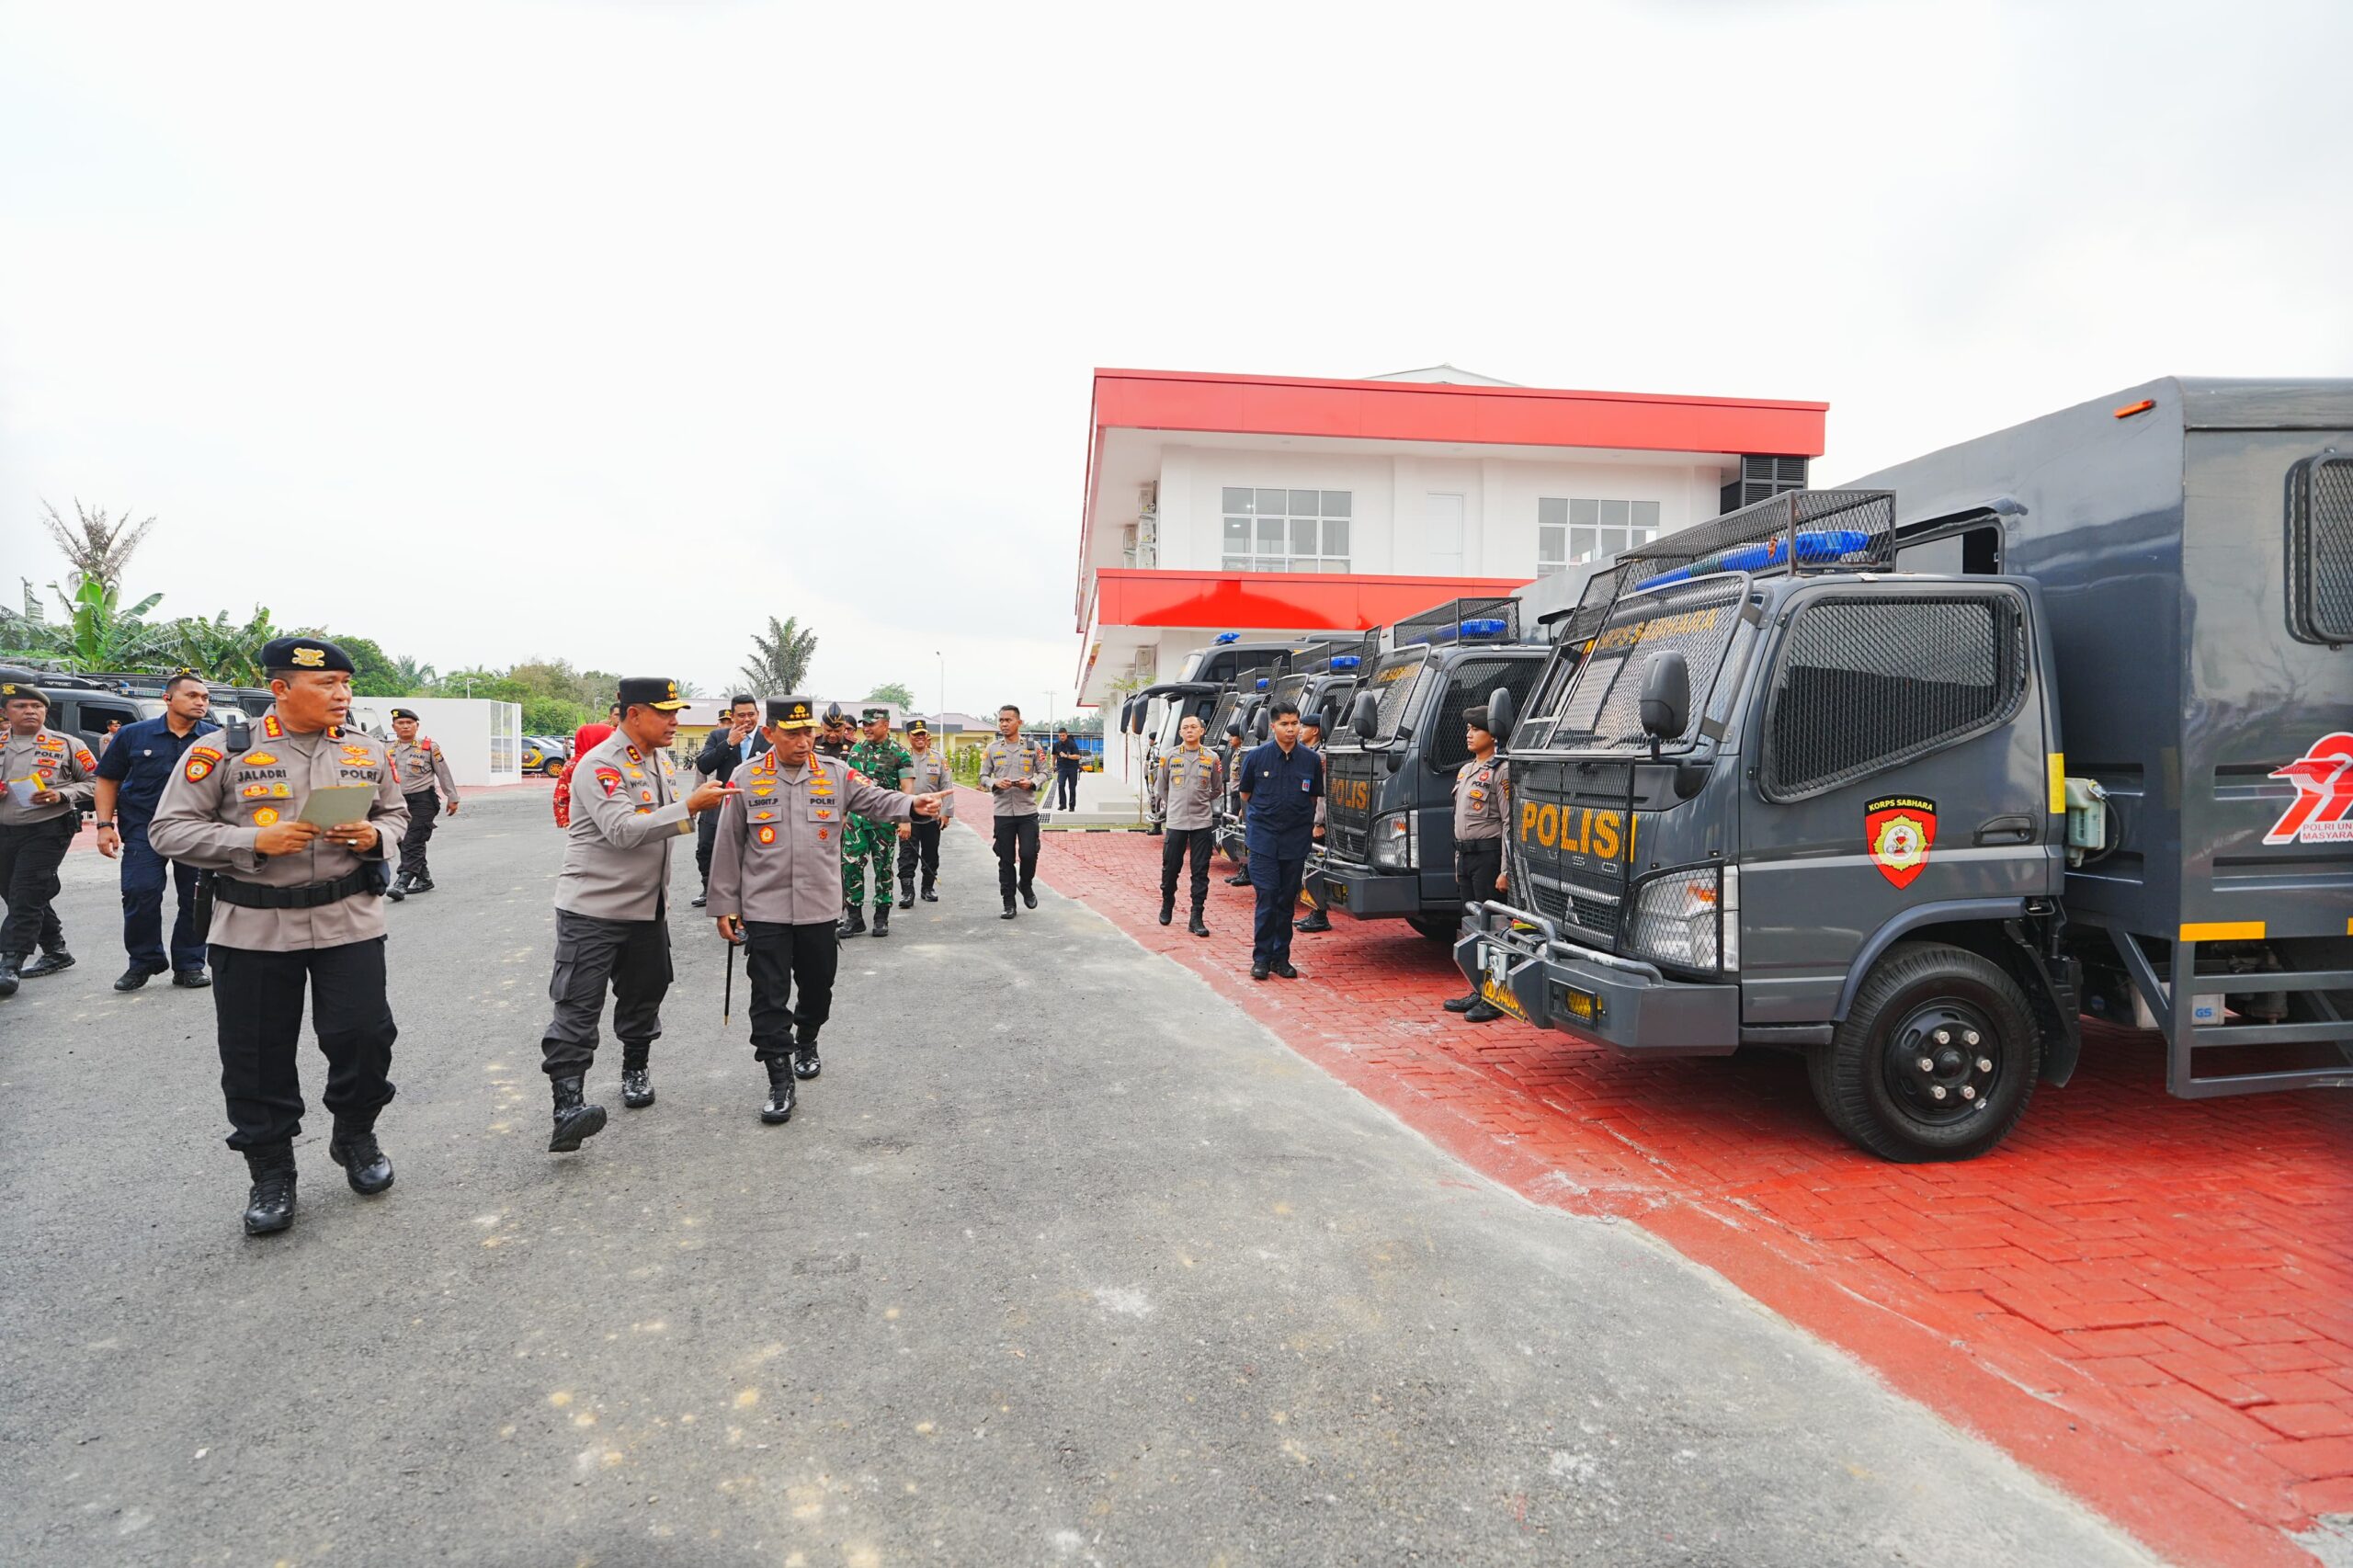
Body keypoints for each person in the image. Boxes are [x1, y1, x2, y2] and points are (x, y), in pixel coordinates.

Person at [147, 638, 409, 1236]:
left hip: (348, 917)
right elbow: (168, 830)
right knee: (256, 1054)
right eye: (327, 684)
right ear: (281, 689)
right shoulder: (222, 751)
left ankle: (355, 1135)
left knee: (364, 1036)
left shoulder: (366, 749)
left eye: (345, 683)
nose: (342, 694)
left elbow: (395, 814)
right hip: (253, 925)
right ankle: (271, 1170)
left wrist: (375, 838)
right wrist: (251, 841)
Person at [707, 697, 947, 1123]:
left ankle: (807, 1038)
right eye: (793, 734)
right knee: (767, 996)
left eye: (809, 732)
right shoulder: (745, 778)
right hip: (765, 909)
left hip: (818, 906)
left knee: (817, 988)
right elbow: (728, 843)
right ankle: (779, 1078)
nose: (804, 741)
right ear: (770, 733)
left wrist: (912, 806)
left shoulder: (836, 773)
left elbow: (875, 799)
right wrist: (725, 904)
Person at [537, 677, 731, 1151]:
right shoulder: (600, 764)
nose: (674, 721)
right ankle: (568, 1105)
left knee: (645, 993)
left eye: (676, 712)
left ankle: (635, 1069)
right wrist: (690, 806)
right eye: (665, 712)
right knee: (578, 1005)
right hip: (594, 909)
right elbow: (623, 831)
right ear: (634, 714)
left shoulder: (657, 760)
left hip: (647, 907)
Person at [92, 667, 219, 990]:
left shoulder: (216, 738)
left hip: (198, 830)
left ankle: (189, 964)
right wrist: (104, 825)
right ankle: (144, 961)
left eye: (205, 697)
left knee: (196, 898)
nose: (201, 702)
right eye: (192, 695)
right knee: (139, 891)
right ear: (167, 698)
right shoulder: (133, 734)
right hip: (143, 828)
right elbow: (108, 779)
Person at [0, 680, 100, 996]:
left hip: (48, 829)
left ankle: (10, 964)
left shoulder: (68, 744)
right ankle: (56, 950)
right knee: (13, 891)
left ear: (45, 711)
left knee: (25, 892)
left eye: (37, 706)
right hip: (4, 829)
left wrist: (61, 794)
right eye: (20, 706)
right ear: (5, 712)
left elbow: (98, 781)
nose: (30, 711)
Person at [1236, 699, 1322, 982]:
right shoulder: (1257, 757)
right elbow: (1245, 794)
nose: (1291, 729)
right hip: (1263, 840)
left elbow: (1313, 798)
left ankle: (1280, 958)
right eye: (1284, 724)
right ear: (1273, 726)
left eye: (1295, 723)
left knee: (1286, 901)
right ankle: (1261, 958)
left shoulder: (1311, 760)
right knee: (1267, 896)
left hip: (1295, 842)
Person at [1442, 707, 1513, 1023]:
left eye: (1476, 729)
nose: (1469, 735)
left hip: (1488, 857)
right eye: (1468, 729)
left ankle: (1494, 996)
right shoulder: (1467, 770)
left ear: (1492, 734)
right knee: (1470, 926)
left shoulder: (1501, 770)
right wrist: (1458, 860)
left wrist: (1505, 870)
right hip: (1466, 856)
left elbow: (1510, 823)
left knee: (1491, 927)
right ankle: (1478, 988)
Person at [842, 707, 913, 937]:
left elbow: (907, 788)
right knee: (850, 865)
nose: (866, 728)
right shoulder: (856, 751)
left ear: (886, 725)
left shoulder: (899, 752)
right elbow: (847, 786)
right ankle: (854, 918)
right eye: (864, 724)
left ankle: (881, 917)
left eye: (871, 724)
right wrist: (842, 816)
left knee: (883, 868)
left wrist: (905, 820)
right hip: (856, 821)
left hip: (884, 821)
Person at [1151, 712, 1221, 937]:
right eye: (1185, 727)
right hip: (1176, 821)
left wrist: (1200, 800)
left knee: (1200, 871)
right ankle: (1167, 903)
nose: (1189, 730)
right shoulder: (1169, 756)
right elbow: (1162, 787)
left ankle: (1196, 916)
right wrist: (1175, 804)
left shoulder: (1212, 758)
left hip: (1202, 821)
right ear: (1180, 732)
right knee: (1171, 868)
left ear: (1202, 731)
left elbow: (1217, 788)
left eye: (1193, 727)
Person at [692, 696, 764, 909]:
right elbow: (704, 765)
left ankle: (750, 894)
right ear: (732, 716)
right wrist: (729, 743)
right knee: (706, 847)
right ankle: (708, 888)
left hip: (758, 805)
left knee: (753, 851)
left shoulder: (768, 737)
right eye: (741, 715)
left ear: (758, 715)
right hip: (720, 803)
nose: (747, 719)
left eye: (751, 714)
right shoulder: (718, 736)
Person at [979, 704, 1048, 919]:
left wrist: (1032, 782)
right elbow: (983, 777)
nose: (1004, 724)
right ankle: (1008, 902)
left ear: (1019, 722)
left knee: (1028, 853)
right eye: (1001, 720)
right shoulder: (992, 749)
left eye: (1008, 720)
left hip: (1027, 811)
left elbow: (1045, 772)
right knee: (1006, 859)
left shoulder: (1033, 747)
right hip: (1003, 813)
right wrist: (995, 783)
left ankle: (1025, 884)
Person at [384, 707, 460, 900]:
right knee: (403, 841)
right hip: (396, 802)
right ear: (394, 727)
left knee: (412, 840)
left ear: (417, 726)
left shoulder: (429, 747)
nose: (405, 726)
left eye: (409, 723)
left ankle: (402, 882)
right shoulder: (386, 749)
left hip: (423, 801)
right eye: (401, 723)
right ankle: (424, 878)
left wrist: (452, 797)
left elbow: (443, 772)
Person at [895, 718, 954, 906]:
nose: (920, 738)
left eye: (923, 734)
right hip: (907, 814)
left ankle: (927, 888)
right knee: (907, 854)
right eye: (916, 735)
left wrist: (946, 813)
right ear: (909, 737)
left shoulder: (938, 758)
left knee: (931, 853)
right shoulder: (901, 757)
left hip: (931, 814)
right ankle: (907, 892)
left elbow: (947, 785)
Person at [1292, 714, 1334, 935]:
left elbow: (1323, 794)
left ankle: (1320, 915)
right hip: (1305, 819)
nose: (1299, 731)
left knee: (1317, 867)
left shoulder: (1320, 757)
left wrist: (1319, 822)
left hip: (1316, 822)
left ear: (1315, 730)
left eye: (1304, 727)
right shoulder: (1308, 754)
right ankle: (1314, 911)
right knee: (1310, 866)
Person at [551, 722, 614, 830]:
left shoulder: (608, 762)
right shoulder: (574, 765)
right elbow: (562, 796)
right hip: (585, 823)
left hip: (607, 821)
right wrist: (566, 823)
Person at [1052, 727, 1084, 812]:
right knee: (1061, 785)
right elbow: (1054, 755)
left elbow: (1078, 756)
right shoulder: (1056, 744)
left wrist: (1067, 756)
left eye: (1063, 735)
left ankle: (1072, 806)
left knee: (1072, 787)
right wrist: (1053, 765)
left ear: (1066, 735)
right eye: (1060, 736)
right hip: (1062, 768)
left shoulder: (1072, 744)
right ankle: (1062, 804)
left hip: (1072, 768)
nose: (1062, 737)